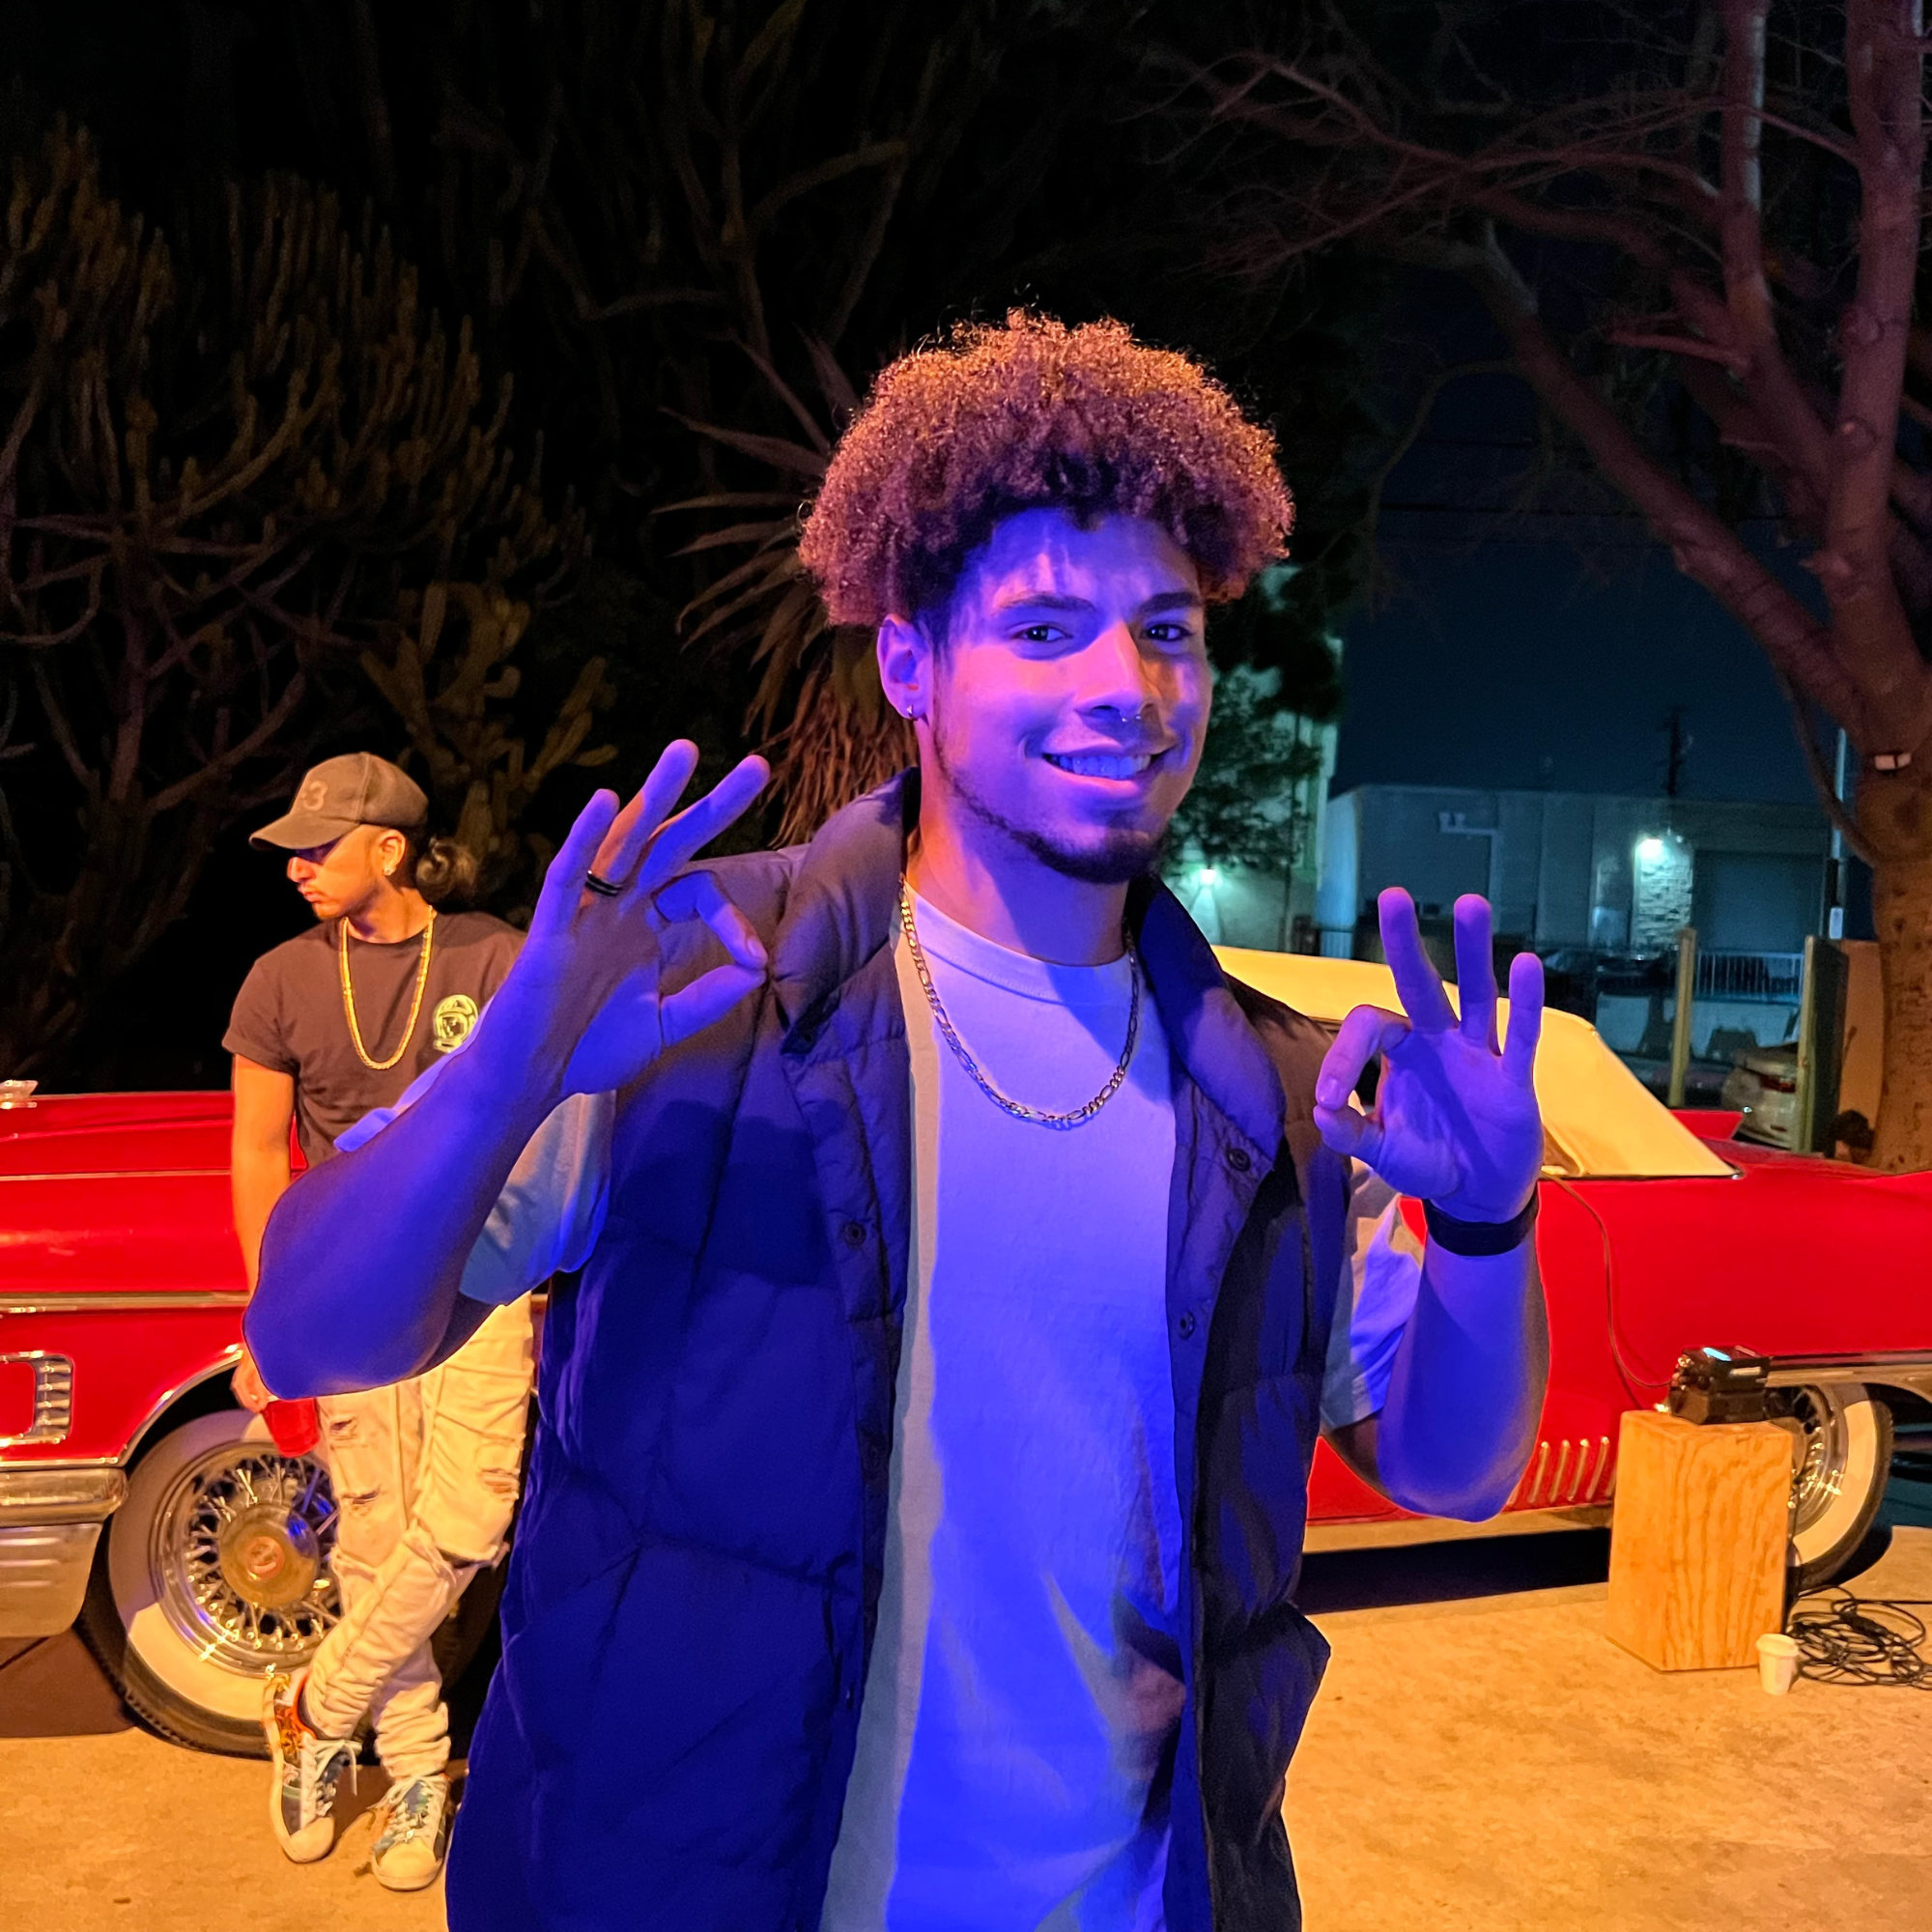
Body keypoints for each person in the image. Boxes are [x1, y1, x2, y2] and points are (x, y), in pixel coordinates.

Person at [245, 315, 1549, 1932]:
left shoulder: (1266, 1092)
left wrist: (1487, 1222)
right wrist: (510, 1064)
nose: (1130, 688)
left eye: (1168, 631)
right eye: (1047, 629)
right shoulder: (692, 995)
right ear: (910, 664)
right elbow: (308, 1332)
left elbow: (1451, 1469)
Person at [223, 752, 534, 1893]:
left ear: (390, 849)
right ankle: (412, 1769)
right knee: (372, 1527)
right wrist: (276, 1314)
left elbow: (545, 1114)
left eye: (319, 846)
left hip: (485, 1267)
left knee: (465, 1519)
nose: (297, 866)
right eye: (293, 850)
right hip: (351, 1276)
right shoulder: (279, 979)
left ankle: (318, 1702)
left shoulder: (492, 955)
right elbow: (260, 1153)